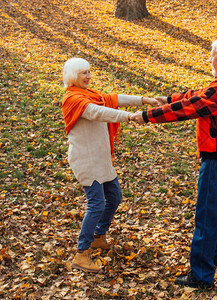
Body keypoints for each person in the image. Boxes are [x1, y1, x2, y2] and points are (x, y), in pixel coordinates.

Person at [131, 37, 217, 288]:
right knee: (215, 209)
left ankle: (201, 275)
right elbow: (196, 96)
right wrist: (169, 98)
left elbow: (190, 108)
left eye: (212, 54)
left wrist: (147, 116)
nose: (210, 58)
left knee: (206, 215)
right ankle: (214, 256)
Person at [61, 57, 159, 273]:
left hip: (101, 157)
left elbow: (113, 99)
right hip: (86, 159)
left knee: (114, 196)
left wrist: (144, 100)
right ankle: (81, 253)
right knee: (96, 203)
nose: (87, 76)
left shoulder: (90, 94)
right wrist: (130, 117)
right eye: (82, 73)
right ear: (72, 76)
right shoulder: (74, 99)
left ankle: (98, 236)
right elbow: (98, 112)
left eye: (88, 72)